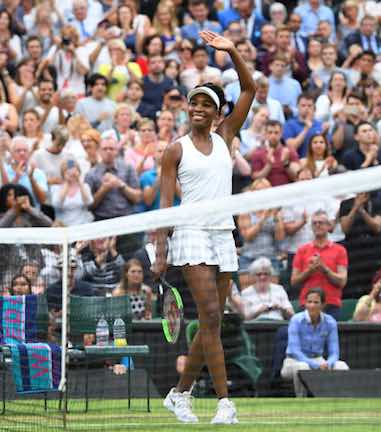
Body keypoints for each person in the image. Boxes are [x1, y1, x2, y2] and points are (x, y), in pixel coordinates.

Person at [154, 30, 255, 425]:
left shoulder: (226, 135)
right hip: (191, 234)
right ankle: (225, 401)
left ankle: (179, 394)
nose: (197, 108)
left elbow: (250, 89)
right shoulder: (175, 150)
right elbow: (164, 205)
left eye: (206, 104)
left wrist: (232, 51)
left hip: (222, 234)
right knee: (210, 314)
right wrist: (161, 251)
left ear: (217, 113)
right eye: (193, 102)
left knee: (213, 322)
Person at [281, 288, 349, 398]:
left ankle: (339, 399)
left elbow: (334, 352)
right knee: (302, 366)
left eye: (316, 302)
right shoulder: (296, 320)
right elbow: (295, 351)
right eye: (309, 302)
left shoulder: (330, 322)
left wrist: (328, 363)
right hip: (293, 361)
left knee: (342, 366)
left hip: (318, 359)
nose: (312, 306)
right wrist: (315, 365)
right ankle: (301, 400)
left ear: (323, 305)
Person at [291, 210, 348, 318]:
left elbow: (342, 281)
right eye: (314, 223)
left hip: (330, 304)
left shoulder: (340, 250)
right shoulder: (302, 250)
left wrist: (324, 269)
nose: (317, 225)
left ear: (328, 226)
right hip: (307, 304)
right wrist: (309, 270)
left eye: (321, 223)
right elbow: (294, 281)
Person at [50, 159, 93, 226]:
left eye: (75, 171)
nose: (72, 174)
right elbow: (57, 204)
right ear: (63, 173)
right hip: (64, 226)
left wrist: (79, 182)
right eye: (68, 172)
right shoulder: (55, 188)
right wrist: (67, 182)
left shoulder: (85, 186)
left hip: (83, 224)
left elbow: (88, 202)